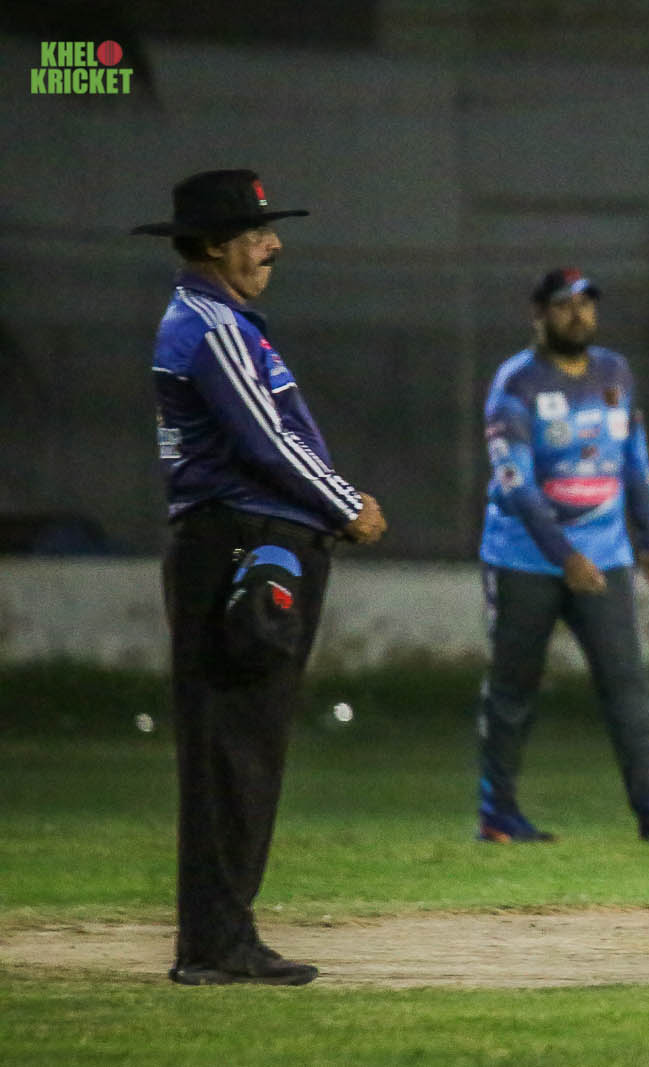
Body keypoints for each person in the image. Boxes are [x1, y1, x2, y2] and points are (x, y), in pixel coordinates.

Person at [134, 169, 388, 985]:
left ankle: (223, 936)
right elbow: (266, 443)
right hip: (238, 546)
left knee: (240, 750)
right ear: (214, 244)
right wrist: (347, 503)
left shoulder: (218, 320)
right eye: (255, 233)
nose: (273, 245)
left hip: (240, 541)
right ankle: (216, 943)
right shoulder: (212, 326)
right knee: (234, 751)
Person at [472, 268, 649, 845]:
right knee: (513, 689)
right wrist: (564, 556)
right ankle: (498, 815)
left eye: (586, 304)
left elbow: (634, 460)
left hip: (605, 555)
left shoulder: (615, 372)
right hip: (524, 559)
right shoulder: (516, 384)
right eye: (564, 305)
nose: (578, 315)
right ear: (538, 314)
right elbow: (517, 484)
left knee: (627, 685)